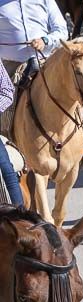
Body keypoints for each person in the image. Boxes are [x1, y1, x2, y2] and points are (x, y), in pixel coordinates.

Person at [0, 0, 83, 169]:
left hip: (45, 59)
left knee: (73, 88)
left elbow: (61, 30)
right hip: (11, 62)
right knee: (4, 97)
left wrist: (45, 40)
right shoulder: (1, 3)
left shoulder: (45, 0)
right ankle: (8, 144)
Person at [0, 63, 23, 207]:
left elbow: (7, 90)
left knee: (6, 170)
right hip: (11, 58)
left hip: (37, 56)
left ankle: (20, 217)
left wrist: (45, 40)